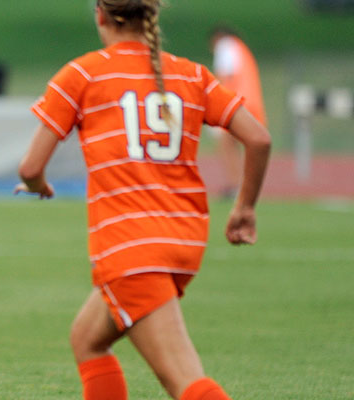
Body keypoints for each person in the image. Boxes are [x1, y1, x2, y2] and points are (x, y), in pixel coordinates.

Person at [15, 1, 271, 399]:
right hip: (183, 241)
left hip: (131, 247)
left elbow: (30, 167)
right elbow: (258, 138)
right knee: (87, 338)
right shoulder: (192, 75)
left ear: (100, 14)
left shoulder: (83, 73)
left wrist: (38, 186)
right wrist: (245, 207)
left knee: (186, 383)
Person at [209, 25, 267, 197]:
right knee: (243, 144)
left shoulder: (225, 46)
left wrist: (214, 102)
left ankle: (236, 185)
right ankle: (241, 185)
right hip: (251, 102)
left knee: (225, 142)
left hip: (236, 102)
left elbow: (224, 76)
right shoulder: (241, 48)